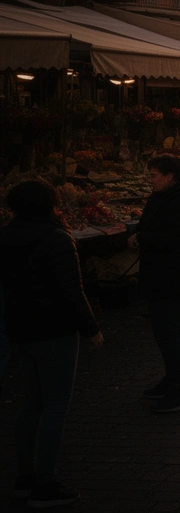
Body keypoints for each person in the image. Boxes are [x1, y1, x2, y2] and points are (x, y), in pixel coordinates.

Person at [0, 180, 103, 507]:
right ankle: (45, 483)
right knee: (56, 406)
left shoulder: (6, 236)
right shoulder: (57, 239)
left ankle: (23, 477)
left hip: (21, 331)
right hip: (55, 332)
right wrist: (91, 329)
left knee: (32, 403)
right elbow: (72, 291)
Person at [133, 154, 180, 413]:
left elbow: (177, 240)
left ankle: (178, 390)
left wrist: (144, 238)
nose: (150, 180)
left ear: (170, 175)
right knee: (168, 330)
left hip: (173, 277)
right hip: (161, 275)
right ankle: (171, 381)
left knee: (167, 331)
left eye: (154, 175)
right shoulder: (163, 198)